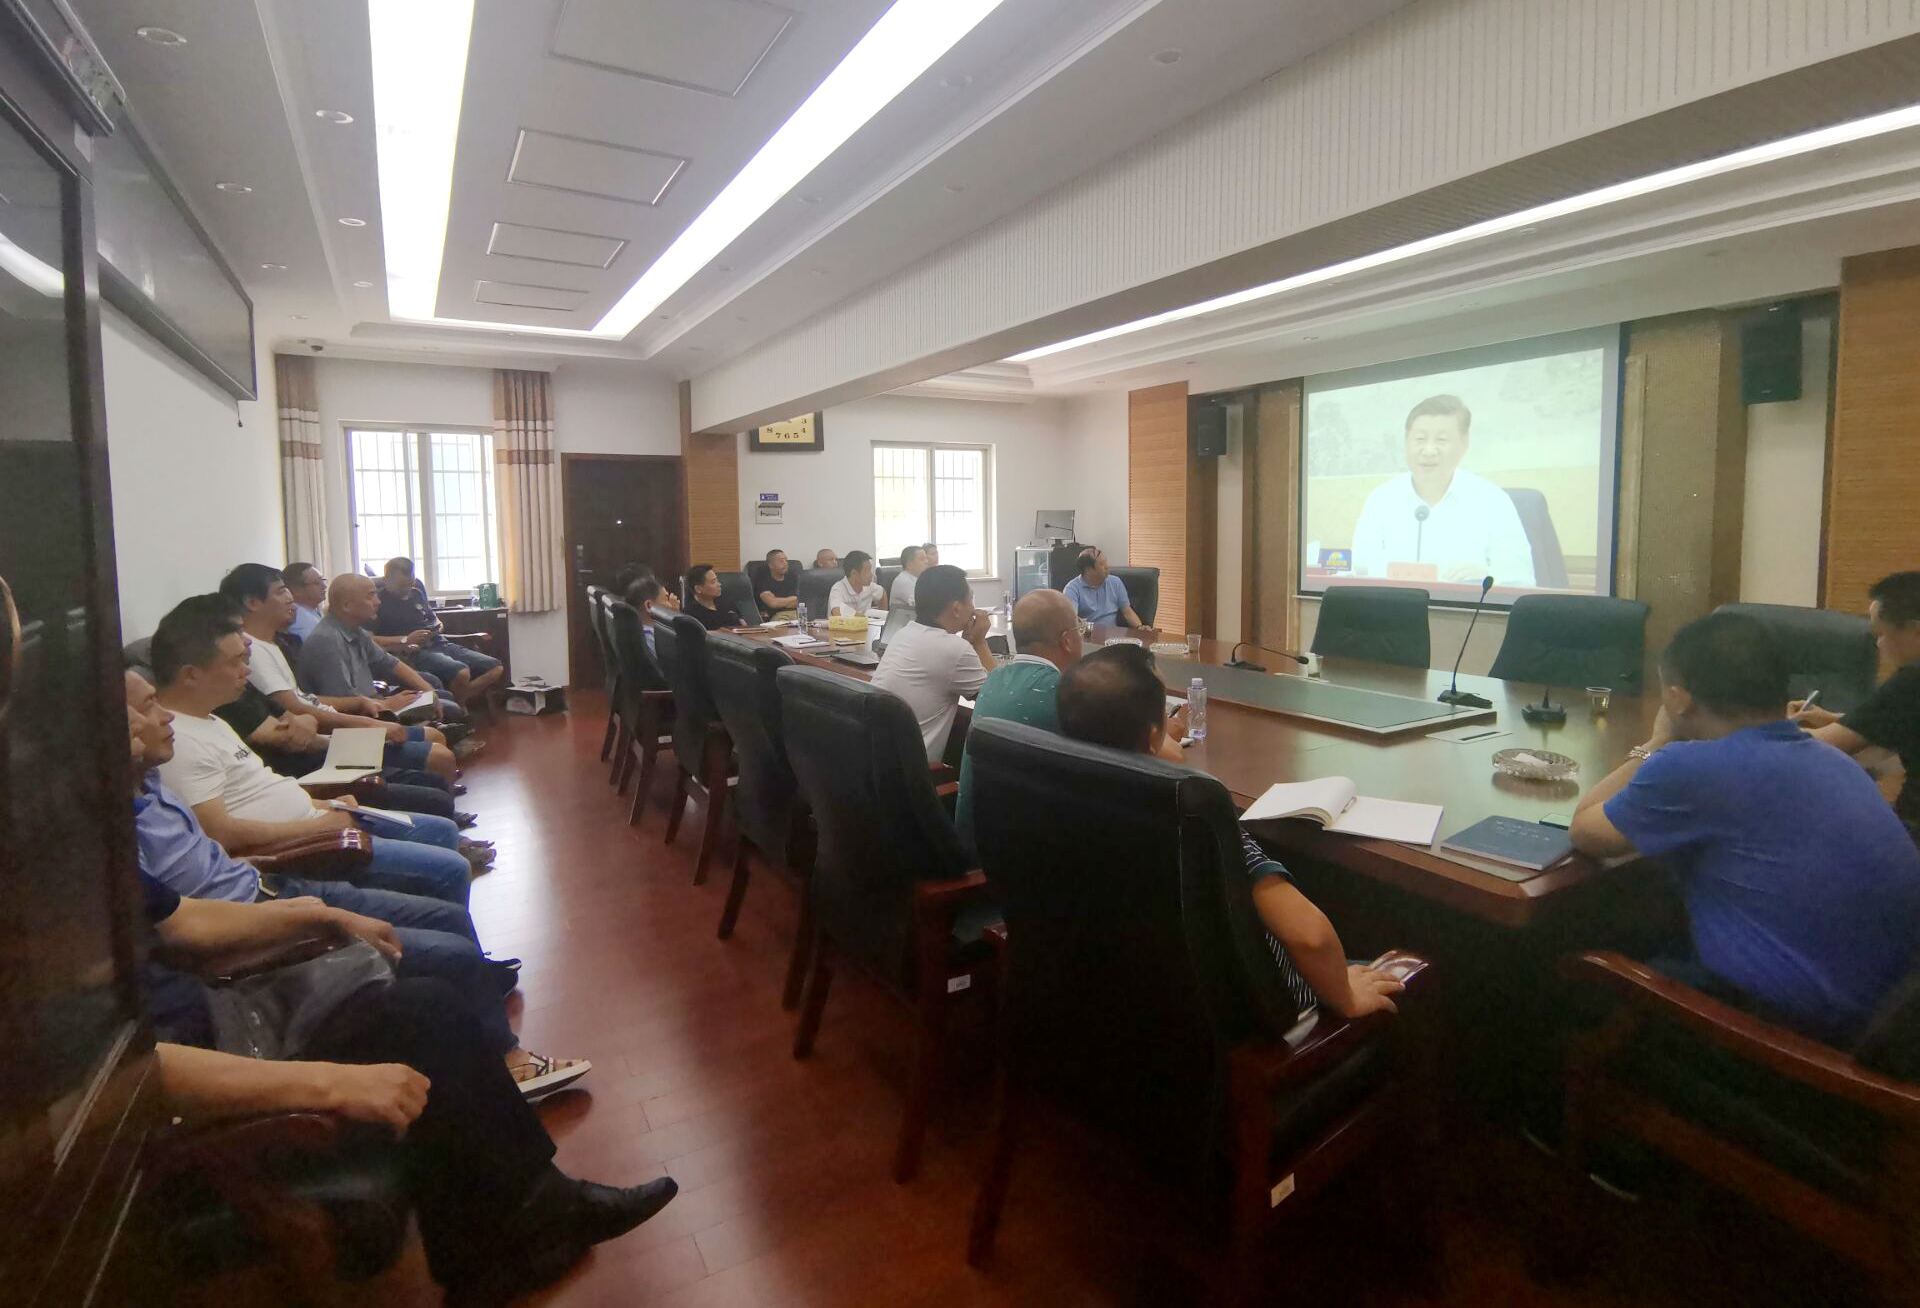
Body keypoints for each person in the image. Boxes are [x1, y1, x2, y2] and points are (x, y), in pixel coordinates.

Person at [139, 884, 674, 1302]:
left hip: (234, 1023)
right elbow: (126, 1077)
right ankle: (531, 1231)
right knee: (419, 1018)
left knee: (424, 1009)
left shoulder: (104, 859)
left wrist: (323, 916)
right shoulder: (80, 899)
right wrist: (332, 1082)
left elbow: (184, 922)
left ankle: (496, 1252)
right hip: (189, 1105)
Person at [127, 671, 590, 1099]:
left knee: (448, 917)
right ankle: (507, 1058)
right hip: (269, 905)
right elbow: (192, 907)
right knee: (452, 949)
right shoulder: (136, 807)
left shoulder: (155, 777)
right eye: (148, 706)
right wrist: (313, 883)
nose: (164, 716)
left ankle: (476, 998)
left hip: (273, 880)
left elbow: (217, 853)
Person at [1569, 612, 1920, 1045]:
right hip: (1874, 1008)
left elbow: (1585, 829)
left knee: (1575, 963)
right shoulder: (1833, 759)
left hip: (1783, 1033)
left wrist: (1658, 742)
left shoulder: (1694, 767)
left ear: (1678, 700)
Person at [1054, 644, 1405, 1020]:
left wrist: (1155, 746)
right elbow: (1310, 937)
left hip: (1138, 1002)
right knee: (1398, 971)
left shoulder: (1063, 796)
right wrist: (1347, 997)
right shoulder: (1195, 814)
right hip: (1264, 1013)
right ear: (1152, 737)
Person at [148, 598, 489, 900]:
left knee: (436, 781)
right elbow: (287, 731)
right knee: (434, 763)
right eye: (236, 642)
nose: (245, 650)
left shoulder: (221, 707)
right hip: (316, 774)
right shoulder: (194, 728)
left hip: (319, 776)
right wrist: (361, 726)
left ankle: (445, 853)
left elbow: (298, 715)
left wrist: (327, 802)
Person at [223, 563, 457, 783]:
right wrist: (375, 717)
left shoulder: (277, 644)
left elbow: (387, 664)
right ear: (253, 603)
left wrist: (419, 694)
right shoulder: (259, 651)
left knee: (435, 724)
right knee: (438, 755)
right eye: (281, 591)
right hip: (328, 736)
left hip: (344, 722)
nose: (290, 598)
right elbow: (297, 709)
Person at [1348, 394, 1536, 587]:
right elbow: (1359, 569)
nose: (1429, 450)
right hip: (1393, 604)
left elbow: (1522, 581)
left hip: (1465, 606)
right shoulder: (1381, 499)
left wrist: (1487, 578)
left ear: (1464, 444)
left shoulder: (1493, 501)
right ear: (1406, 442)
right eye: (1420, 439)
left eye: (1441, 440)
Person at [1795, 571, 1920, 836]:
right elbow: (1899, 724)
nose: (1879, 645)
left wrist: (1767, 726)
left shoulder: (1913, 680)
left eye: (1881, 634)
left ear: (1915, 630)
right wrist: (1835, 719)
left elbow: (1822, 745)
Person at [953, 589, 1083, 840]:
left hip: (978, 843)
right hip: (1034, 849)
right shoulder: (1068, 694)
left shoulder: (993, 682)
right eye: (1079, 629)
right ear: (1067, 640)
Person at [872, 564, 992, 762]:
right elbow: (996, 699)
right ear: (956, 608)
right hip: (914, 774)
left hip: (880, 764)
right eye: (970, 599)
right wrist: (979, 642)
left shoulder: (904, 633)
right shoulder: (954, 648)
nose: (973, 608)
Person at [298, 574, 457, 719]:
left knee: (439, 697)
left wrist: (428, 690)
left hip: (373, 704)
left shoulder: (355, 630)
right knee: (450, 710)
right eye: (371, 596)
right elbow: (344, 705)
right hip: (358, 719)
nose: (378, 602)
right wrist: (387, 704)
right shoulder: (326, 641)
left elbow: (390, 663)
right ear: (346, 605)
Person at [374, 557, 506, 708]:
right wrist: (405, 639)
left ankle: (457, 701)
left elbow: (436, 622)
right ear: (387, 580)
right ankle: (459, 708)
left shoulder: (417, 593)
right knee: (462, 672)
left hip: (439, 642)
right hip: (412, 651)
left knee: (495, 668)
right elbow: (369, 639)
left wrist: (435, 629)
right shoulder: (377, 602)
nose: (407, 589)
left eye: (410, 583)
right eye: (402, 585)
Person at [1062, 547, 1144, 628]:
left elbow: (1127, 611)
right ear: (1088, 570)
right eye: (1102, 564)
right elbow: (1072, 619)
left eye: (1106, 562)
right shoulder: (1072, 589)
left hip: (1113, 633)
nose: (1107, 566)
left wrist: (1140, 627)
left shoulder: (1115, 582)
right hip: (1089, 633)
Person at [828, 550, 888, 617]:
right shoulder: (838, 589)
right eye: (867, 571)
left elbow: (882, 593)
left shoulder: (870, 586)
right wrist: (864, 617)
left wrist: (882, 617)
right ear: (854, 573)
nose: (871, 575)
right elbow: (837, 613)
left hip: (866, 623)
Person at [283, 561, 327, 643]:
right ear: (296, 589)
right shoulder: (297, 618)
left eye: (323, 580)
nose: (324, 586)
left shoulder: (314, 611)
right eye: (317, 582)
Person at [683, 563, 735, 631]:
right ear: (698, 589)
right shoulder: (690, 615)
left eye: (717, 580)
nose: (719, 584)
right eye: (713, 582)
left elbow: (741, 625)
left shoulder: (725, 603)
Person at [756, 549, 800, 613]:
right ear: (771, 565)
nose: (785, 563)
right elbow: (773, 603)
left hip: (798, 612)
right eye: (781, 561)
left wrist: (782, 602)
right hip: (778, 615)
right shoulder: (763, 580)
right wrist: (793, 600)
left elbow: (803, 600)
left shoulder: (793, 576)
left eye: (786, 560)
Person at [890, 545, 928, 609]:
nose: (927, 562)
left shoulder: (920, 578)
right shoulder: (904, 581)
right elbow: (923, 605)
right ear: (910, 564)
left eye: (926, 558)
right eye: (922, 559)